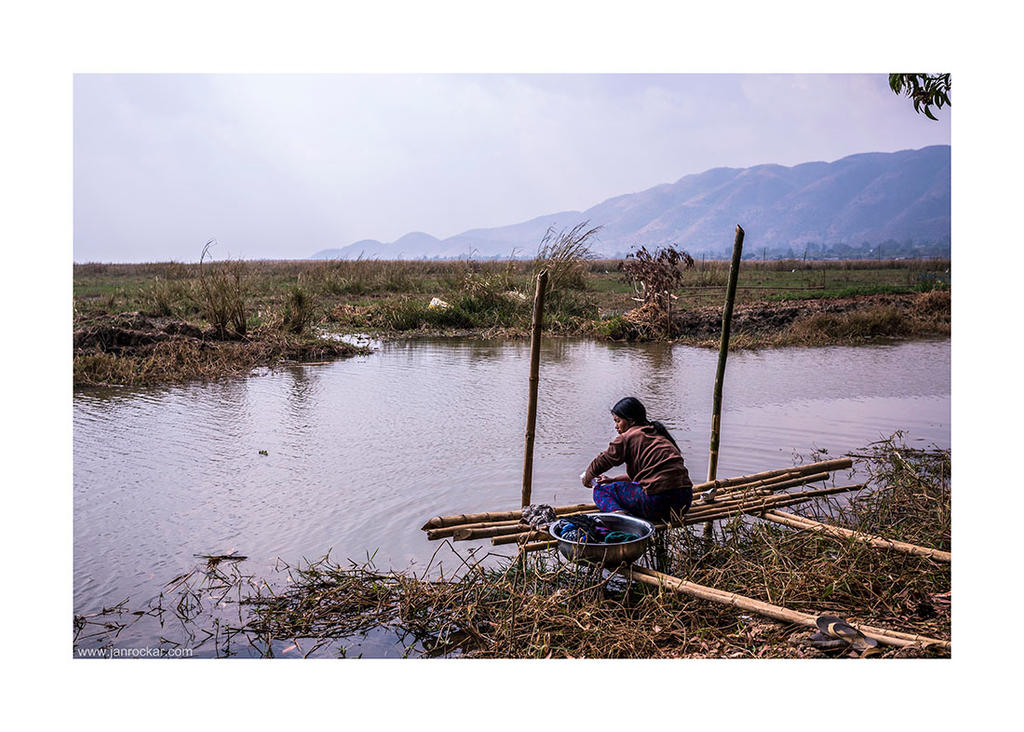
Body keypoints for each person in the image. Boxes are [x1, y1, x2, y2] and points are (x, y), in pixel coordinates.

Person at [581, 397, 693, 521]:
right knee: (628, 485)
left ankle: (620, 517)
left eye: (618, 421)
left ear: (631, 421)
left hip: (658, 504)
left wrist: (588, 476)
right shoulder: (658, 435)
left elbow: (604, 459)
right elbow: (647, 475)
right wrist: (613, 480)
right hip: (683, 502)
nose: (616, 426)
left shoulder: (628, 437)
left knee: (600, 491)